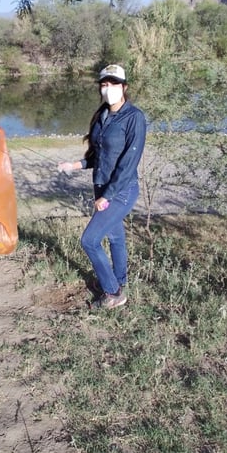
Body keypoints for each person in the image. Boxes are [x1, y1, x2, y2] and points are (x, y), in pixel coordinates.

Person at [58, 64, 146, 309]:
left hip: (120, 190)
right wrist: (74, 165)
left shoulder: (134, 117)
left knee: (89, 240)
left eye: (114, 84)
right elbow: (100, 156)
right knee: (116, 237)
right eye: (104, 85)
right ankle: (119, 281)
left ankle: (113, 293)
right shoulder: (102, 116)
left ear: (124, 87)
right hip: (101, 186)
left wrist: (107, 195)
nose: (108, 89)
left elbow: (128, 163)